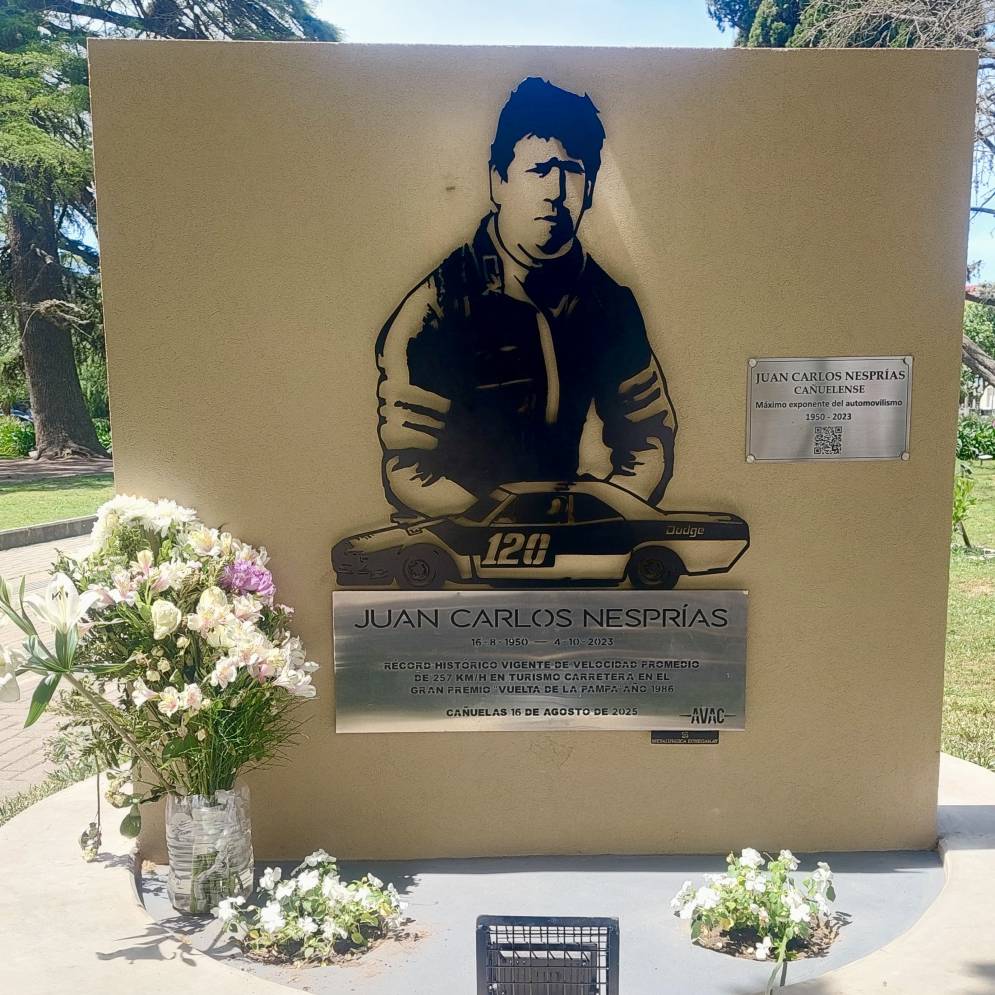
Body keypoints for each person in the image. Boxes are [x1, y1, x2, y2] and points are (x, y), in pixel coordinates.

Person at [375, 76, 677, 520]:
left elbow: (648, 439)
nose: (556, 193)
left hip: (570, 554)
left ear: (590, 189)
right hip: (464, 554)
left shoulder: (609, 304)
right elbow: (411, 470)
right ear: (498, 181)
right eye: (540, 169)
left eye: (573, 173)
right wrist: (503, 527)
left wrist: (601, 519)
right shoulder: (433, 311)